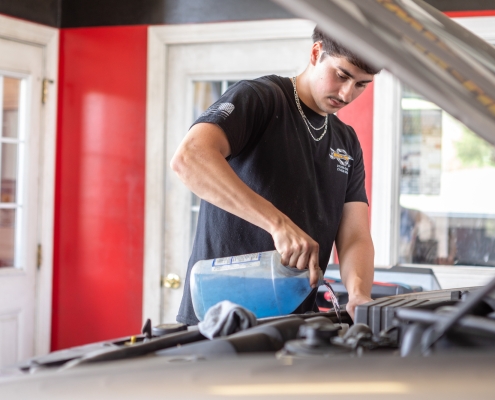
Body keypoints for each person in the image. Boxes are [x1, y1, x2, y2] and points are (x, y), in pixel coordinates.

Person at [171, 27, 379, 325]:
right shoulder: (260, 99)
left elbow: (355, 236)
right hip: (219, 319)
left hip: (294, 323)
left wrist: (359, 294)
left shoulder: (346, 142)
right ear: (316, 53)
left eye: (362, 84)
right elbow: (189, 158)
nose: (348, 93)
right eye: (342, 75)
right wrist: (277, 224)